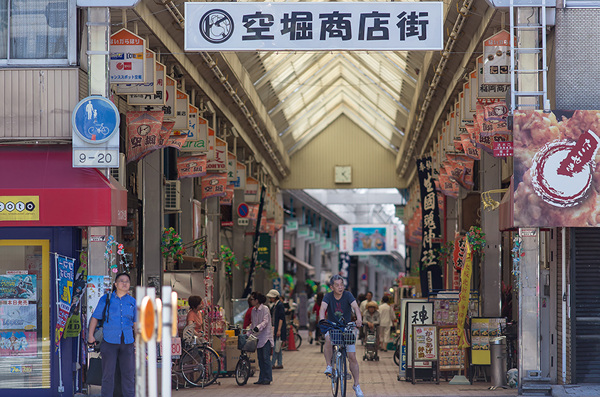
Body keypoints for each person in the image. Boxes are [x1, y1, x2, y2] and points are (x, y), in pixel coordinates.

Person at [87, 272, 136, 397]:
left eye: (127, 281)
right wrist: (90, 335)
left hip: (128, 342)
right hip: (109, 341)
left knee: (129, 374)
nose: (124, 283)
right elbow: (95, 317)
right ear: (115, 284)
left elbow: (136, 323)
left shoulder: (132, 302)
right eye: (121, 281)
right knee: (108, 374)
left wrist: (139, 340)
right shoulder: (106, 299)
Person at [320, 275, 364, 397]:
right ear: (331, 287)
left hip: (347, 327)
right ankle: (329, 366)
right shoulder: (328, 296)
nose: (340, 287)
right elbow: (322, 308)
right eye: (337, 285)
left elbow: (355, 307)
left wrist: (359, 319)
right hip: (332, 327)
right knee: (328, 338)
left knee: (352, 357)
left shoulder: (348, 295)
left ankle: (356, 385)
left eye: (342, 284)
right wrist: (322, 320)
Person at [250, 291, 273, 385]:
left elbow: (265, 321)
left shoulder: (265, 309)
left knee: (266, 358)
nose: (250, 301)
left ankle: (268, 378)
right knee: (260, 358)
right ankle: (261, 378)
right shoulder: (253, 310)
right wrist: (249, 333)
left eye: (252, 299)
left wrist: (258, 327)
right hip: (258, 337)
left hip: (266, 337)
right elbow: (253, 323)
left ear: (257, 300)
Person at [267, 289, 286, 369]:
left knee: (276, 346)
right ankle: (280, 363)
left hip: (278, 328)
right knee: (278, 346)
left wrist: (278, 330)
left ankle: (272, 363)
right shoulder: (276, 305)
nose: (270, 299)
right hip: (276, 328)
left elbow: (281, 318)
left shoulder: (279, 305)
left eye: (271, 297)